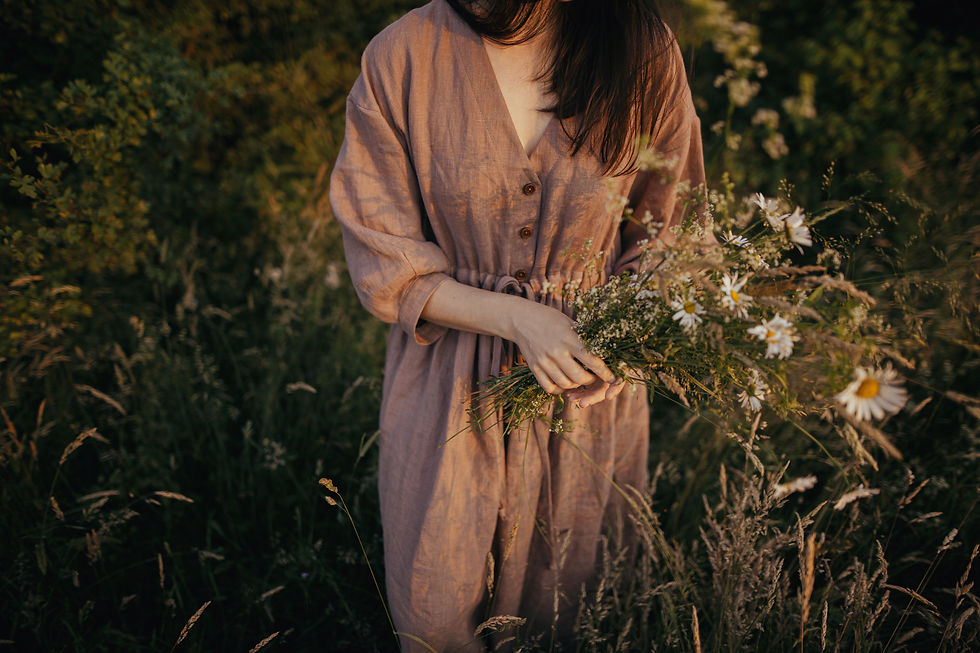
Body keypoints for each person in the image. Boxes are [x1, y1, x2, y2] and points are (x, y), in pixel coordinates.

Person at [328, 0, 706, 649]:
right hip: (450, 396)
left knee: (574, 613)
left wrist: (624, 343)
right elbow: (383, 253)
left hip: (588, 397)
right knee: (437, 619)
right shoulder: (404, 55)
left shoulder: (643, 52)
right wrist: (515, 316)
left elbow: (670, 231)